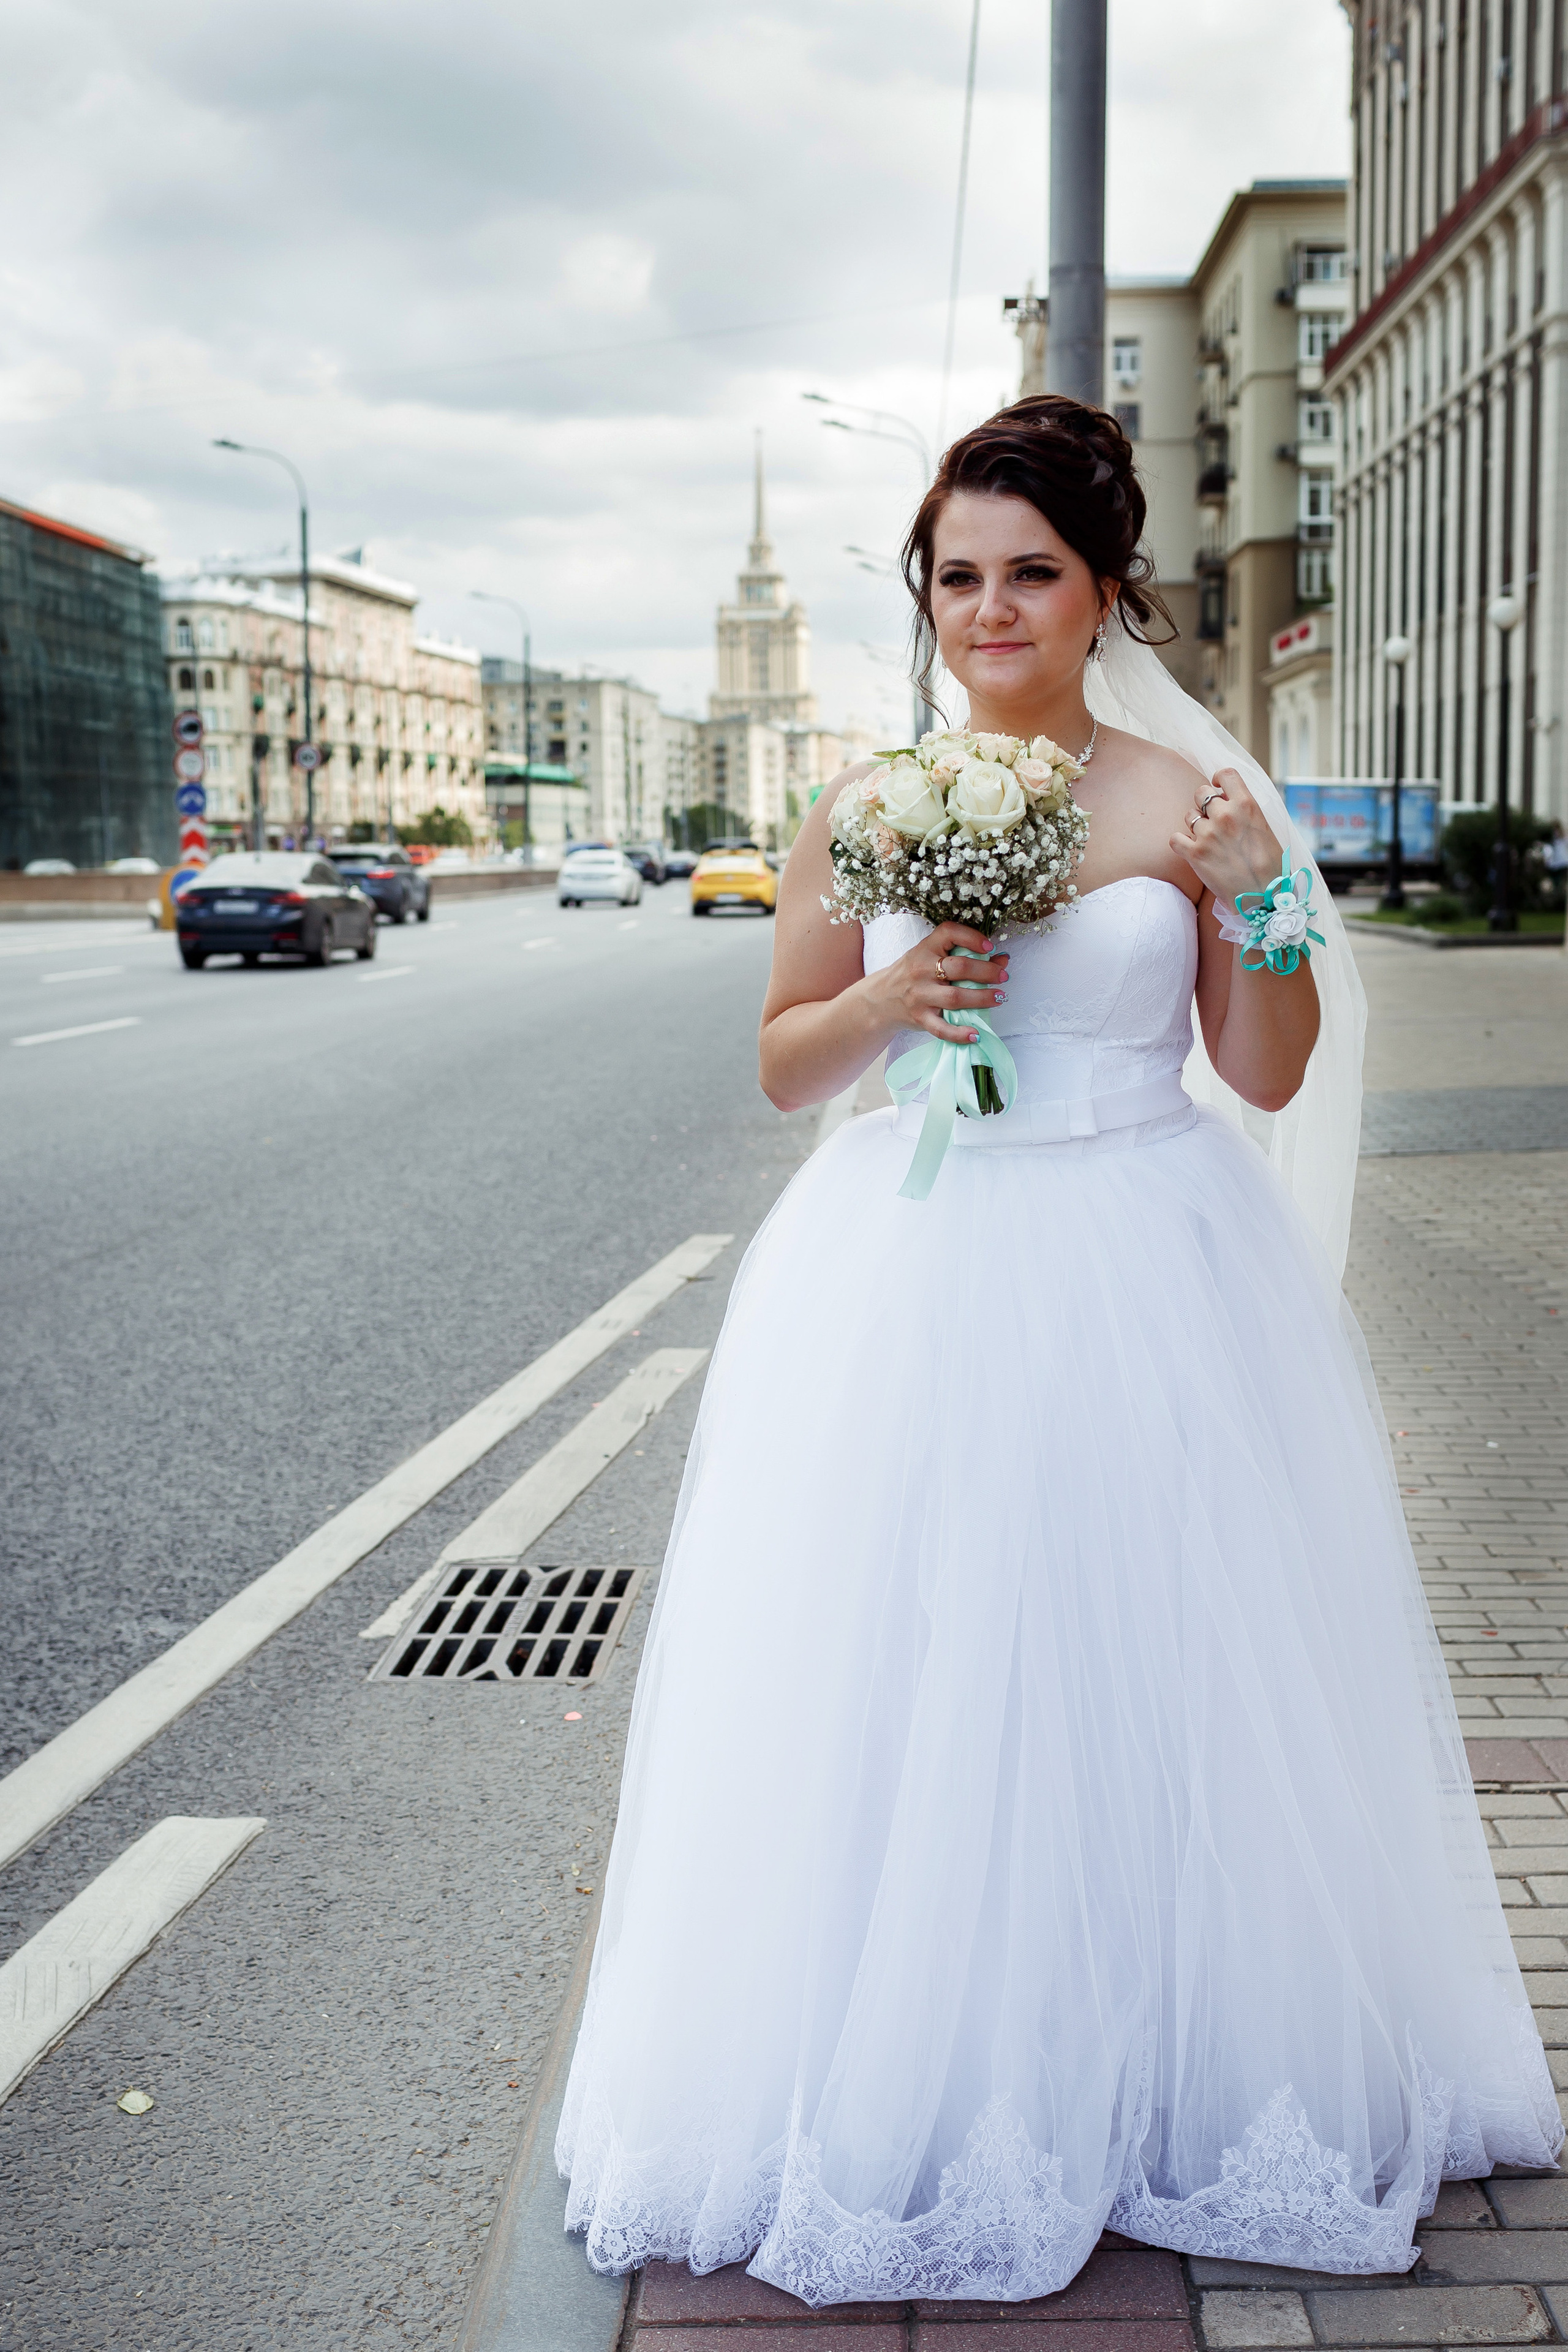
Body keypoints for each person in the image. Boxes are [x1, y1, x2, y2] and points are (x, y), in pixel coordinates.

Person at [557, 398, 1559, 2304]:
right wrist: (895, 995)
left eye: (1032, 572)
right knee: (918, 1671)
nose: (991, 608)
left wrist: (1257, 884)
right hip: (911, 1270)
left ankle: (1165, 2064)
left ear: (1107, 591)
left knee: (1146, 1654)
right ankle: (949, 2069)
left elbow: (1261, 1069)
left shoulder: (1183, 809)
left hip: (1148, 1251)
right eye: (957, 577)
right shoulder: (861, 809)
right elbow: (786, 1067)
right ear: (923, 600)